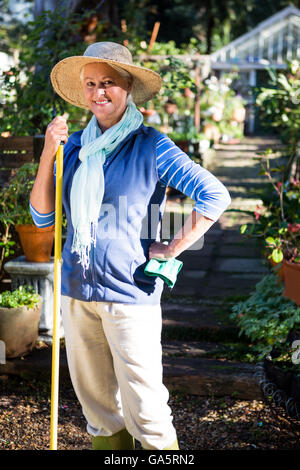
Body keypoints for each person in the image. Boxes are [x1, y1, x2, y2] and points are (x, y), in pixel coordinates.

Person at [30, 42, 231, 451]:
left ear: (127, 88)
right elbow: (42, 217)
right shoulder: (73, 148)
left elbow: (214, 196)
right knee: (99, 413)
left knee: (148, 413)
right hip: (77, 292)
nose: (98, 92)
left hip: (130, 295)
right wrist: (49, 150)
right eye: (90, 84)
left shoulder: (151, 145)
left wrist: (173, 248)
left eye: (108, 83)